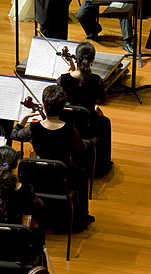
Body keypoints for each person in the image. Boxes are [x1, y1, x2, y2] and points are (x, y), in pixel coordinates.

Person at [11, 85, 93, 231]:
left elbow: (14, 135)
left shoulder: (33, 129)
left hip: (38, 177)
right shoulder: (70, 129)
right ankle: (81, 218)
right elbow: (82, 149)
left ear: (43, 105)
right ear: (63, 106)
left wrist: (24, 117)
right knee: (81, 174)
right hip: (62, 175)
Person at [57, 42, 113, 177]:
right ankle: (101, 166)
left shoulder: (63, 79)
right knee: (105, 122)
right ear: (92, 60)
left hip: (68, 123)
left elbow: (60, 97)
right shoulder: (96, 80)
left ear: (76, 56)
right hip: (87, 125)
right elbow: (103, 99)